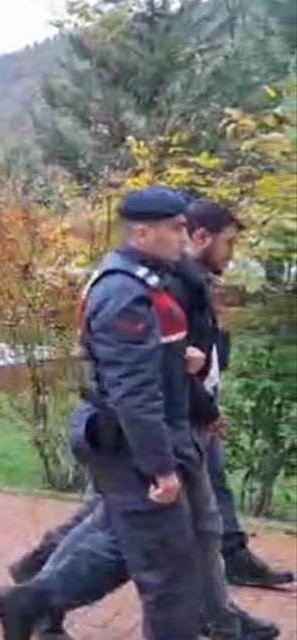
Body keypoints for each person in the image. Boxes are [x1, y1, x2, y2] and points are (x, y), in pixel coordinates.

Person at [0, 199, 280, 640]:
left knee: (162, 551)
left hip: (165, 437)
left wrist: (181, 366)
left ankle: (33, 599)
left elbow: (153, 364)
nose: (184, 238)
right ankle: (34, 598)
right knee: (166, 574)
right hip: (137, 444)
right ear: (142, 233)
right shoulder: (123, 291)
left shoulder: (155, 282)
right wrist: (161, 467)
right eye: (175, 228)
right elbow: (133, 391)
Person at [185, 201, 293, 589]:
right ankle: (42, 578)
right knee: (112, 522)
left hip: (199, 408)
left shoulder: (201, 284)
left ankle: (233, 562)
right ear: (200, 237)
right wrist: (205, 407)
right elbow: (174, 363)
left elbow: (207, 353)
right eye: (227, 243)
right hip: (183, 414)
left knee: (214, 489)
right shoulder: (180, 284)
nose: (231, 254)